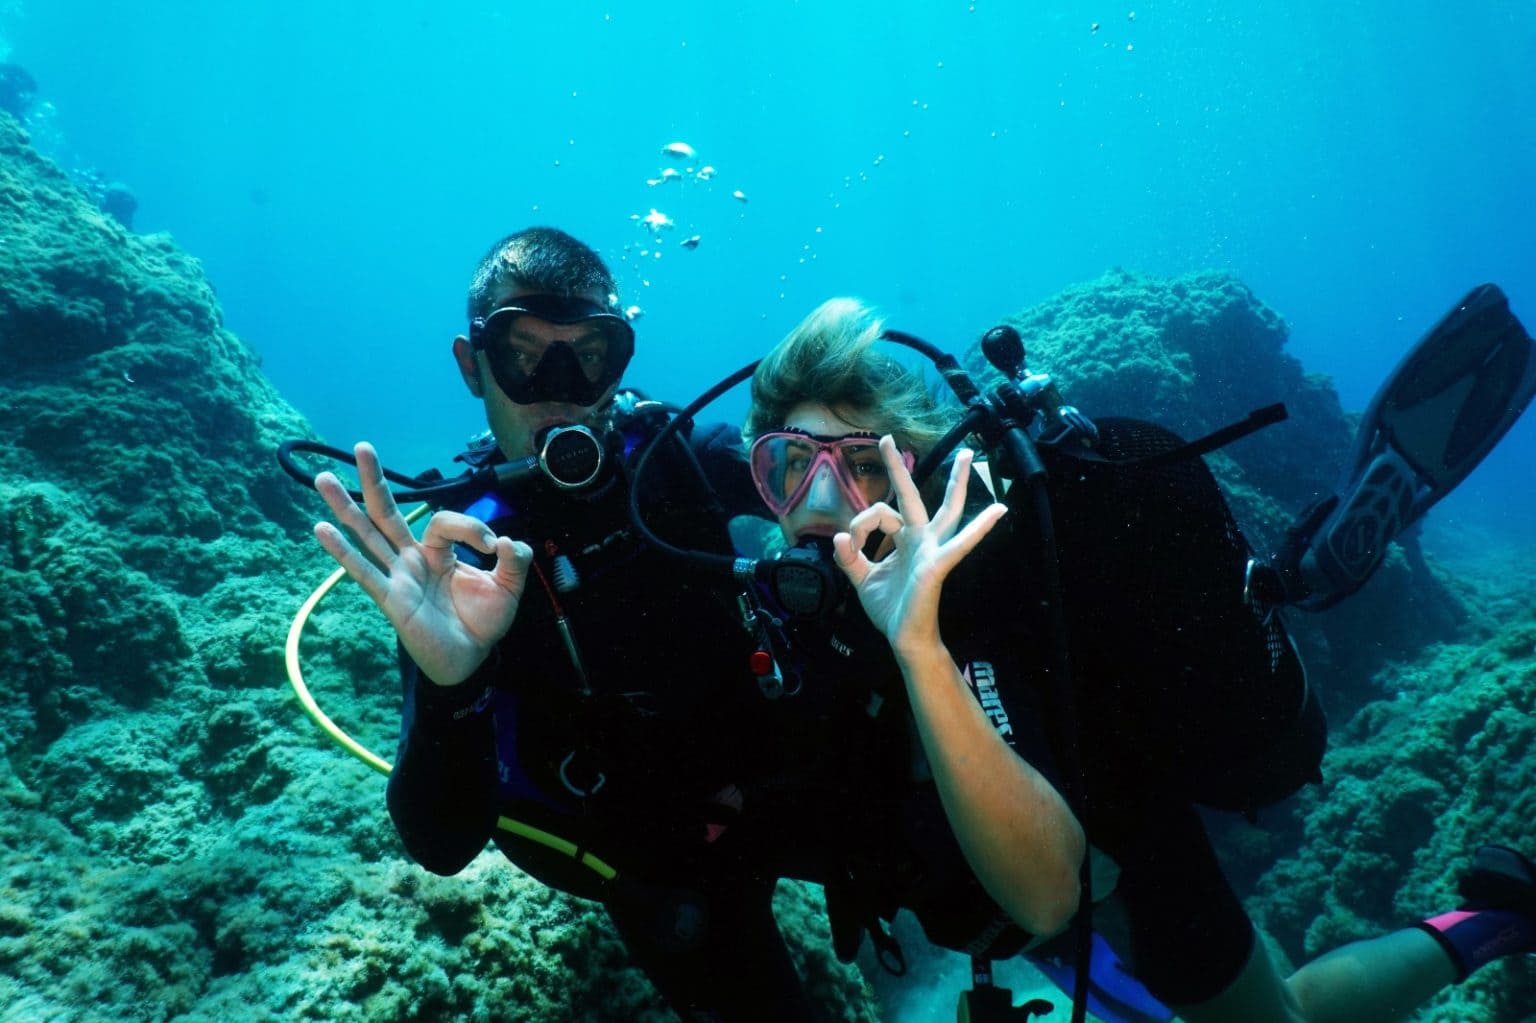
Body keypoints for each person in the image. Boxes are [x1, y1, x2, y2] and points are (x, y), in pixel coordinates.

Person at [739, 296, 1536, 1023]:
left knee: (1275, 1020)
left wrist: (918, 643)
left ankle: (1501, 918)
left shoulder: (967, 600)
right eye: (787, 465)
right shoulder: (782, 604)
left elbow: (1051, 891)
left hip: (1119, 833)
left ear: (916, 465)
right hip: (991, 887)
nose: (817, 501)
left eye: (862, 465)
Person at [311, 227, 846, 1023]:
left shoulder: (682, 455)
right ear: (473, 366)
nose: (561, 386)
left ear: (619, 362)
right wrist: (450, 678)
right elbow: (442, 842)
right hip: (644, 854)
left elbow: (827, 499)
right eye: (524, 354)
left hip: (780, 776)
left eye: (590, 353)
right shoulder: (459, 551)